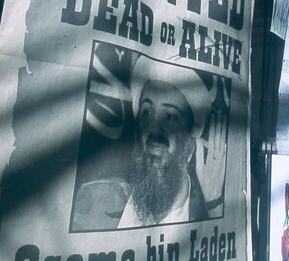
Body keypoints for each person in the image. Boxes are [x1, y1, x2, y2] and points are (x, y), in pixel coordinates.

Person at [73, 56, 225, 230]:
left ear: (191, 137)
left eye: (169, 116)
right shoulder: (94, 200)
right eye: (147, 112)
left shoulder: (208, 210)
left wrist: (212, 206)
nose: (154, 129)